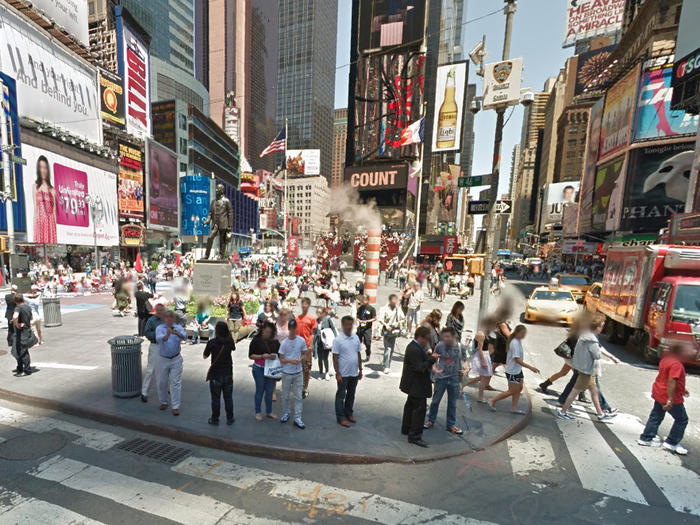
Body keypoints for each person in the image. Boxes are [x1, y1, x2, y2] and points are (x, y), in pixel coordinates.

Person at [557, 314, 617, 422]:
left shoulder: (584, 335)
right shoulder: (592, 340)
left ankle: (601, 414)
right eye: (601, 325)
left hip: (584, 368)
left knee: (594, 391)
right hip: (586, 370)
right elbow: (597, 355)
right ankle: (562, 412)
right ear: (597, 326)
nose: (602, 328)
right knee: (575, 391)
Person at [638, 343, 689, 455]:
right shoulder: (677, 365)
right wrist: (670, 399)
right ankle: (672, 442)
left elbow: (666, 377)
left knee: (656, 416)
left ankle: (646, 438)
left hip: (659, 392)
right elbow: (672, 380)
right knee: (682, 419)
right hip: (669, 396)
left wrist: (682, 389)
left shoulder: (666, 360)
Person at [424, 327, 467, 435]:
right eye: (444, 337)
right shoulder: (439, 346)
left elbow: (465, 360)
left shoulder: (460, 347)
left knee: (452, 403)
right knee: (435, 401)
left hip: (454, 378)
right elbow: (434, 358)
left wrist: (466, 369)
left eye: (448, 336)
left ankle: (451, 424)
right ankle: (431, 420)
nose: (446, 339)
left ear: (453, 336)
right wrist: (434, 368)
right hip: (441, 378)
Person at [487, 325, 539, 414]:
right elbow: (517, 359)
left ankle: (514, 407)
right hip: (512, 371)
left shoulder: (517, 341)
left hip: (517, 370)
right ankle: (492, 400)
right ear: (517, 332)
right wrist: (530, 368)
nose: (523, 335)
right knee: (512, 390)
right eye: (522, 333)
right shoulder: (514, 343)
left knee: (519, 388)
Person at [400, 326, 438, 447]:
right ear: (420, 337)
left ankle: (407, 428)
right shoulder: (414, 349)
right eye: (426, 339)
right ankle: (415, 436)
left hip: (413, 385)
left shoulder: (416, 347)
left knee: (410, 407)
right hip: (417, 386)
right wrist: (432, 359)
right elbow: (420, 368)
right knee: (419, 410)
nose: (427, 341)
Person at [155, 310, 187, 415]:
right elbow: (159, 339)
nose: (169, 318)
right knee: (162, 382)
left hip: (176, 358)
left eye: (171, 317)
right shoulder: (160, 328)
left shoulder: (178, 327)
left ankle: (175, 406)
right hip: (163, 359)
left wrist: (178, 334)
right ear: (164, 318)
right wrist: (167, 335)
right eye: (167, 316)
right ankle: (163, 401)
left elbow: (185, 336)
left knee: (175, 383)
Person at [203, 321, 235, 426]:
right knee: (228, 397)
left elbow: (205, 356)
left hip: (216, 374)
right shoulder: (229, 342)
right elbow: (233, 348)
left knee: (216, 398)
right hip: (228, 374)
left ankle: (215, 419)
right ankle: (230, 418)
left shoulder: (212, 343)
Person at [333, 315, 363, 427]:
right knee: (340, 396)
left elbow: (358, 354)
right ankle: (340, 417)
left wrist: (360, 369)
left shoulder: (355, 338)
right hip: (343, 374)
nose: (349, 327)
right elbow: (335, 358)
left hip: (353, 373)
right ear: (342, 325)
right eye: (347, 324)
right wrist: (337, 373)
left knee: (351, 395)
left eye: (351, 324)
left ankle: (348, 413)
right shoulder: (338, 340)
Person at [279, 320, 308, 429]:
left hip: (298, 372)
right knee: (285, 395)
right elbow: (281, 359)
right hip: (287, 372)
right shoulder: (284, 343)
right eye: (290, 329)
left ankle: (298, 417)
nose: (292, 331)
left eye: (294, 329)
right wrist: (290, 361)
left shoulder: (301, 341)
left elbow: (305, 353)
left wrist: (301, 359)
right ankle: (286, 412)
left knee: (298, 396)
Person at [248, 321, 279, 421]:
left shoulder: (274, 341)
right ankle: (257, 411)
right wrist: (262, 356)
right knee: (260, 390)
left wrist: (274, 355)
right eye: (266, 332)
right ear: (262, 331)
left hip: (271, 369)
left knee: (269, 391)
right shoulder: (256, 340)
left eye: (270, 332)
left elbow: (279, 352)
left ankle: (269, 411)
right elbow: (251, 355)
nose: (268, 334)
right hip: (259, 368)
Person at [142, 303, 165, 402]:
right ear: (156, 311)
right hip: (155, 345)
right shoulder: (151, 320)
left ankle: (166, 389)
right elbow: (147, 332)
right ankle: (144, 392)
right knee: (150, 370)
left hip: (165, 346)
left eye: (161, 310)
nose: (160, 312)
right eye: (158, 310)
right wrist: (157, 334)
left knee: (165, 369)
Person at [295, 297, 317, 398]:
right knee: (296, 367)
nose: (304, 307)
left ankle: (305, 388)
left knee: (306, 368)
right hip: (297, 346)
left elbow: (313, 333)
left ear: (308, 306)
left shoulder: (312, 318)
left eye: (306, 305)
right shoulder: (297, 318)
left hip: (307, 346)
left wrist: (311, 345)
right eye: (302, 305)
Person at [33, 155, 58, 244]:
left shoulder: (52, 190)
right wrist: (35, 229)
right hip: (40, 221)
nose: (43, 170)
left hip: (50, 221)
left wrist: (54, 230)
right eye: (41, 167)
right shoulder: (36, 187)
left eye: (45, 168)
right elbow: (35, 209)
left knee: (50, 247)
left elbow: (54, 210)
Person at [378, 294, 405, 374]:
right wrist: (386, 325)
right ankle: (386, 366)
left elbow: (403, 318)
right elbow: (380, 319)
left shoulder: (398, 309)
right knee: (388, 348)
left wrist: (398, 323)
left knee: (391, 348)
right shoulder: (384, 308)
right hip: (387, 329)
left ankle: (388, 364)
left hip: (394, 330)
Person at [11, 293, 34, 376]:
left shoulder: (18, 308)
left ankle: (27, 370)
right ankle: (20, 368)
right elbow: (31, 318)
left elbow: (15, 316)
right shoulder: (27, 307)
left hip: (21, 332)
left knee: (22, 351)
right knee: (22, 350)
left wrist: (16, 324)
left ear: (15, 301)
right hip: (27, 330)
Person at [468, 330, 492, 403]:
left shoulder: (486, 333)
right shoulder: (481, 334)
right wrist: (483, 361)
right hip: (482, 356)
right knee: (484, 377)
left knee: (482, 377)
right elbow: (480, 349)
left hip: (486, 355)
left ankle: (463, 384)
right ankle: (480, 397)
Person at [314, 306, 337, 381]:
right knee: (319, 358)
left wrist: (335, 338)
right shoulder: (316, 321)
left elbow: (333, 328)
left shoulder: (327, 319)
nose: (319, 314)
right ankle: (321, 372)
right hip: (319, 341)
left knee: (325, 357)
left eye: (320, 313)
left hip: (326, 341)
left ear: (323, 313)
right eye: (318, 313)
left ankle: (327, 372)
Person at [356, 295, 376, 361]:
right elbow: (357, 316)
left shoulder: (371, 309)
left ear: (367, 301)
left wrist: (367, 321)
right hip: (360, 327)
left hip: (367, 328)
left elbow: (374, 318)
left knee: (367, 342)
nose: (362, 302)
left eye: (364, 300)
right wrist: (359, 320)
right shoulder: (360, 308)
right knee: (357, 341)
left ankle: (368, 353)